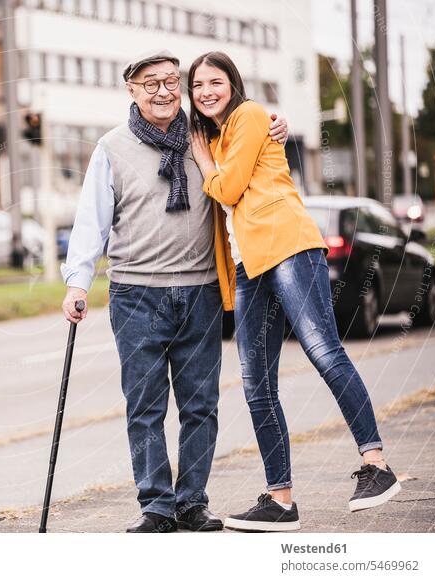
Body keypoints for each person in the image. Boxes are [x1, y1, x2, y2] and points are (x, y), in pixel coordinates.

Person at [60, 49, 289, 533]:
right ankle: (157, 507)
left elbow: (253, 147)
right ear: (131, 90)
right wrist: (77, 283)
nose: (163, 91)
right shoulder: (111, 147)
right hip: (136, 295)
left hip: (201, 291)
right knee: (145, 406)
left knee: (200, 405)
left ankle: (192, 503)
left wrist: (276, 125)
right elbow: (91, 223)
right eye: (151, 83)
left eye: (170, 82)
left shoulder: (207, 138)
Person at [188, 51, 400, 532]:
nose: (206, 91)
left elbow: (228, 187)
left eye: (215, 81)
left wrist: (204, 160)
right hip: (250, 264)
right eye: (197, 84)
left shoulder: (248, 115)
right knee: (256, 382)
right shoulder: (220, 133)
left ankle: (377, 465)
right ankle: (280, 500)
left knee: (323, 349)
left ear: (232, 83)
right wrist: (209, 152)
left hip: (286, 245)